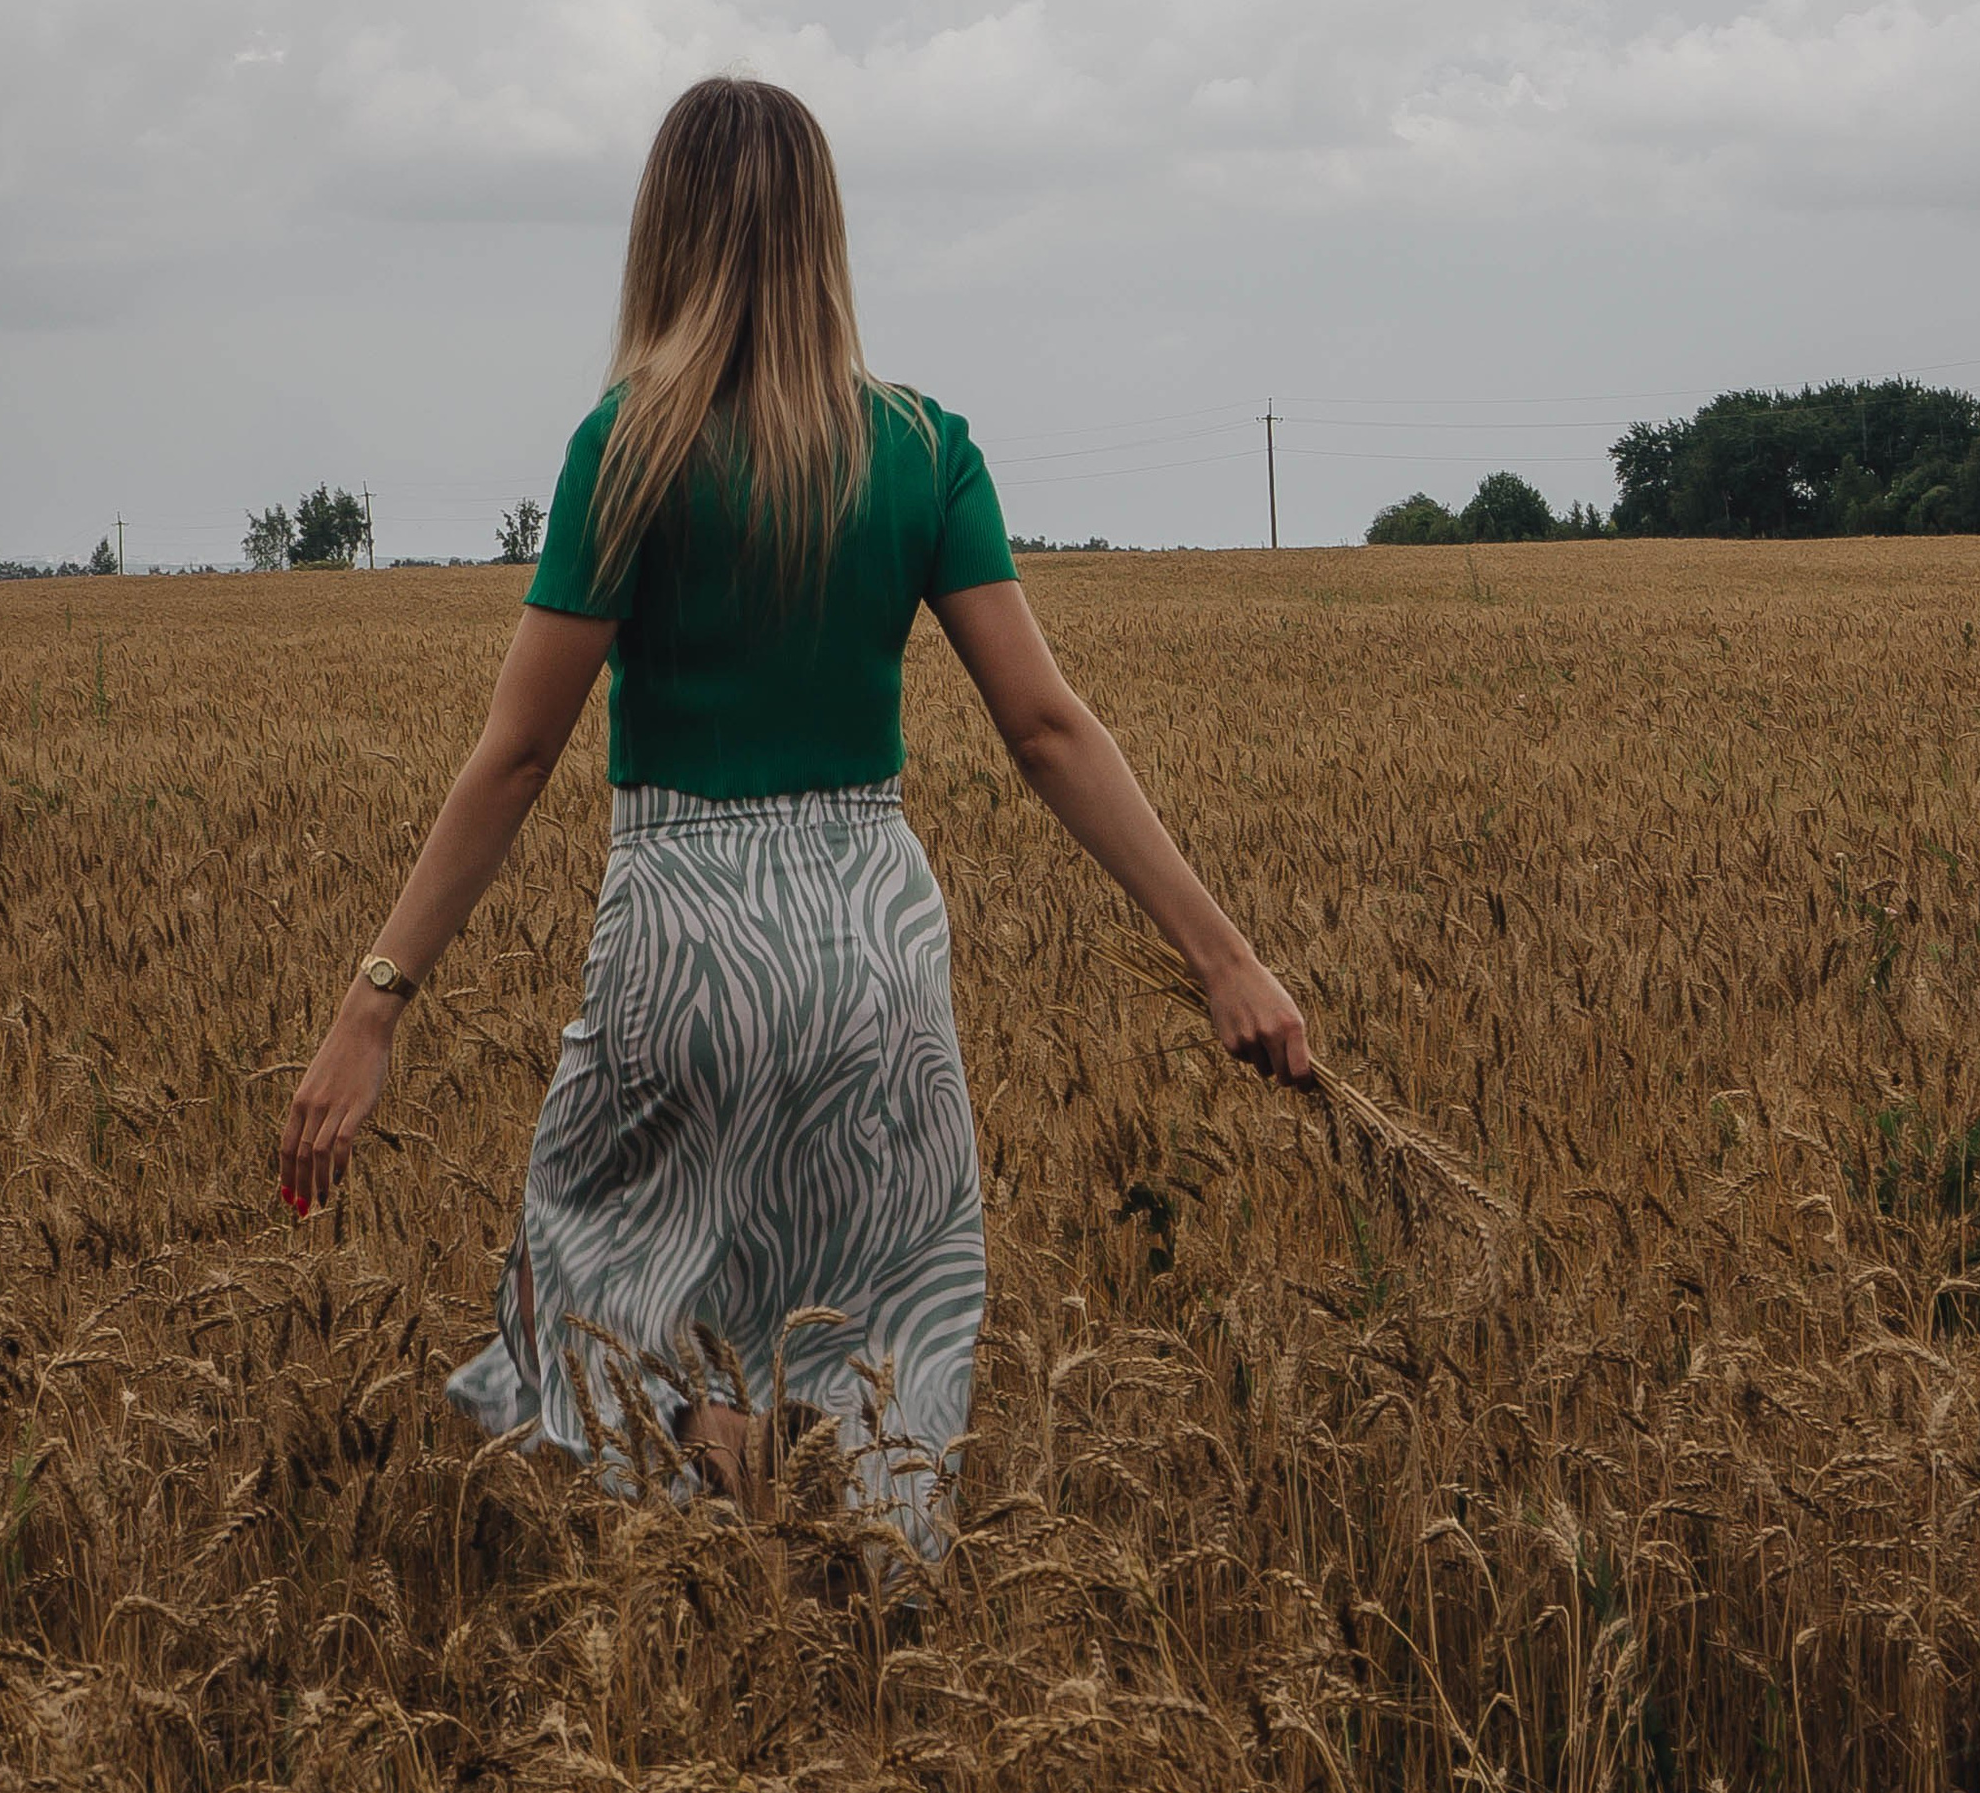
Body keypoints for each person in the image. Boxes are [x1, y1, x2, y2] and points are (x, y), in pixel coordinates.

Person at [277, 76, 1314, 1544]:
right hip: (873, 949)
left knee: (608, 1283)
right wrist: (1225, 958)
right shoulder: (924, 449)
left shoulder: (624, 449)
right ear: (827, 234)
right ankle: (829, 1628)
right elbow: (1046, 728)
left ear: (665, 233)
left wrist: (375, 1002)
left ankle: (692, 1625)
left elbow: (516, 757)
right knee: (868, 1309)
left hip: (685, 934)